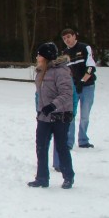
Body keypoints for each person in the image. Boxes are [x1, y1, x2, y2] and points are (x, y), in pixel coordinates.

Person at [28, 42, 75, 189]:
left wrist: (53, 106)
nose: (37, 57)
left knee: (61, 147)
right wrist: (39, 110)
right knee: (41, 146)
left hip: (60, 116)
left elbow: (67, 94)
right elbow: (39, 94)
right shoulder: (40, 71)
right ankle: (42, 178)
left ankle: (68, 177)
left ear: (46, 56)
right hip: (44, 116)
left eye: (39, 55)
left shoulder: (61, 71)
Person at [61, 27, 97, 148]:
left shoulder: (85, 48)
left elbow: (91, 67)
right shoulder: (64, 53)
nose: (67, 40)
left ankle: (83, 140)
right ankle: (68, 142)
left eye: (68, 37)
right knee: (70, 114)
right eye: (64, 38)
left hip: (88, 87)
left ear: (74, 36)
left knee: (85, 115)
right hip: (72, 88)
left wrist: (83, 81)